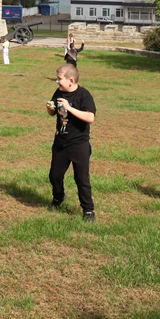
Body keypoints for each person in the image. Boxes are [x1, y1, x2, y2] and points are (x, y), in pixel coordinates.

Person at [46, 63, 97, 222]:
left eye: (59, 79)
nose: (57, 81)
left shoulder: (84, 95)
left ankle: (88, 210)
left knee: (81, 178)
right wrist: (50, 108)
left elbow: (90, 118)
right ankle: (59, 197)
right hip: (61, 142)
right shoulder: (59, 92)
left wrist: (69, 107)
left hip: (79, 144)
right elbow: (55, 113)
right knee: (54, 176)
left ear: (71, 80)